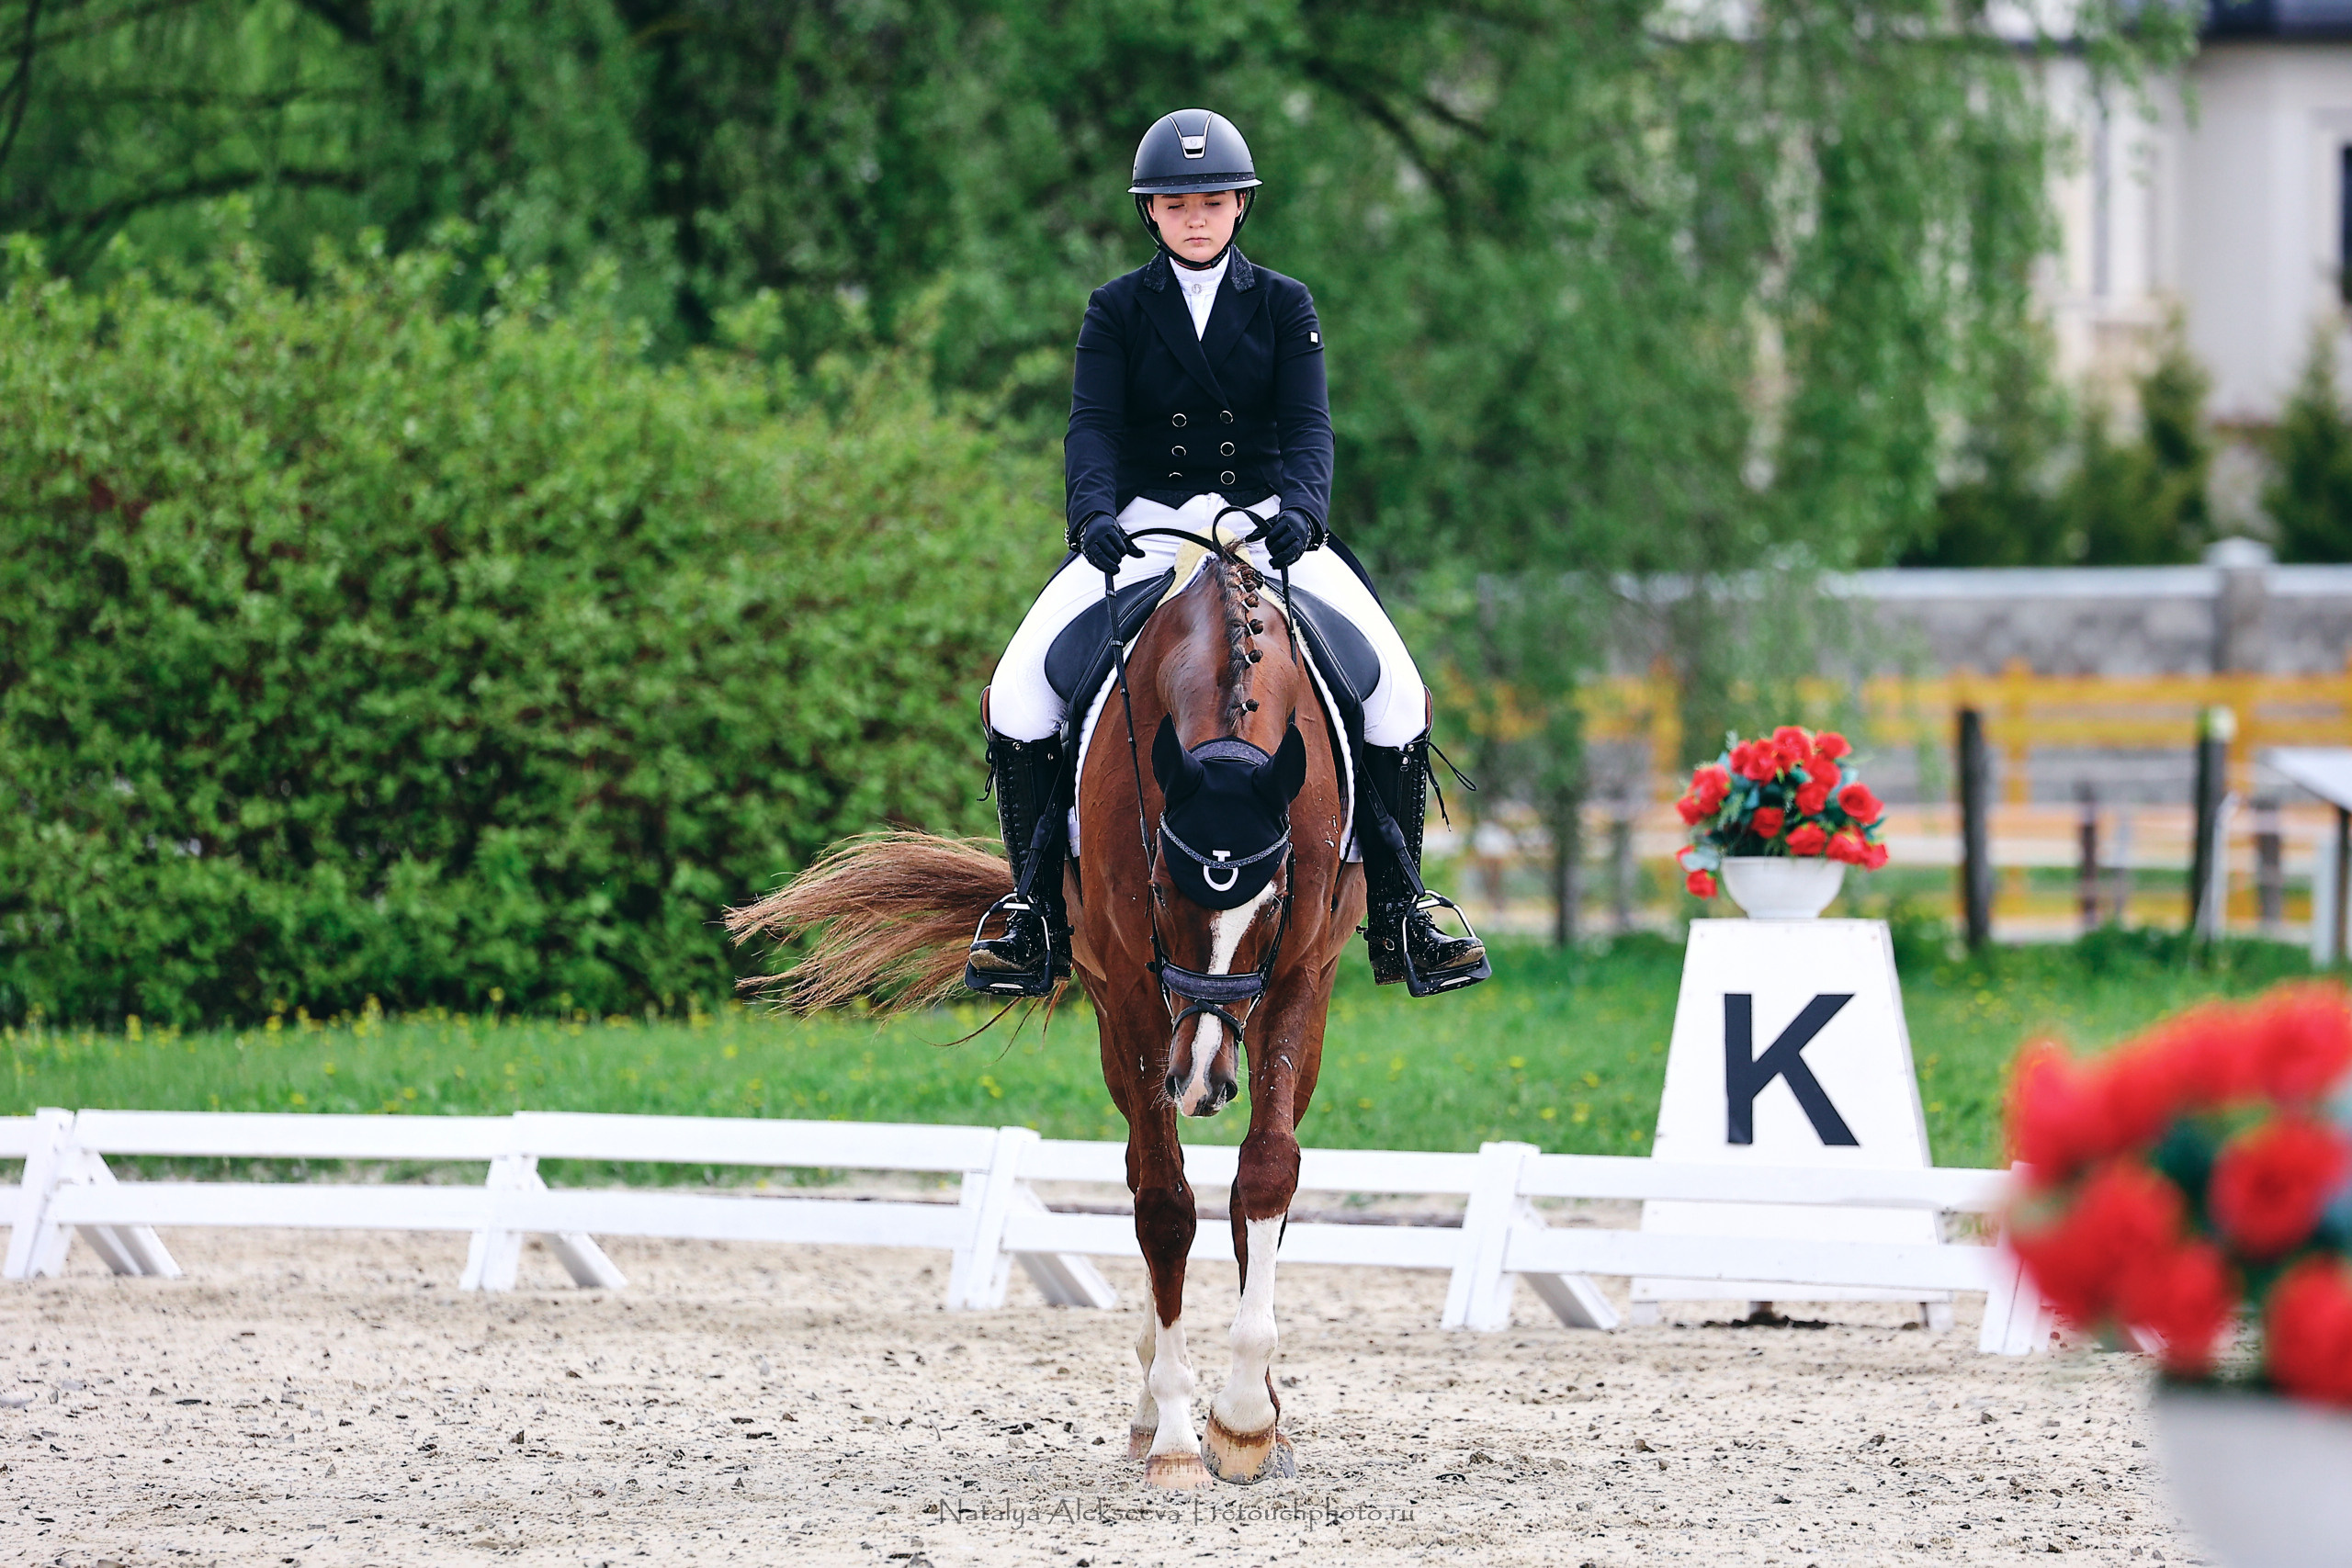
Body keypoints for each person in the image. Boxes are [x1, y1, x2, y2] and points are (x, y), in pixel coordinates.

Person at [966, 107, 1487, 998]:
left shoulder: (1283, 304)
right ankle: (1032, 917)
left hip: (1264, 525)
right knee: (1016, 693)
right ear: (1151, 215)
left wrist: (1304, 514)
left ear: (1239, 206)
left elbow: (1308, 426)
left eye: (1211, 200)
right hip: (1145, 529)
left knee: (1398, 693)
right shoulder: (1117, 309)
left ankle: (1401, 912)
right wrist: (1089, 515)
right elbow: (1091, 426)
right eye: (1175, 204)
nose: (1195, 216)